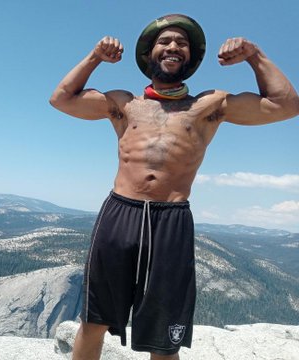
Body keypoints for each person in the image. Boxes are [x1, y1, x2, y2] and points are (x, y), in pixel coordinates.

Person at [49, 13, 299, 360]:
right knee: (94, 322)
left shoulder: (210, 105)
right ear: (148, 54)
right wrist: (95, 57)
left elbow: (285, 106)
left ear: (190, 58)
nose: (173, 46)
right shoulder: (124, 103)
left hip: (172, 221)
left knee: (165, 340)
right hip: (120, 213)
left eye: (181, 43)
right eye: (164, 41)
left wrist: (254, 55)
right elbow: (61, 99)